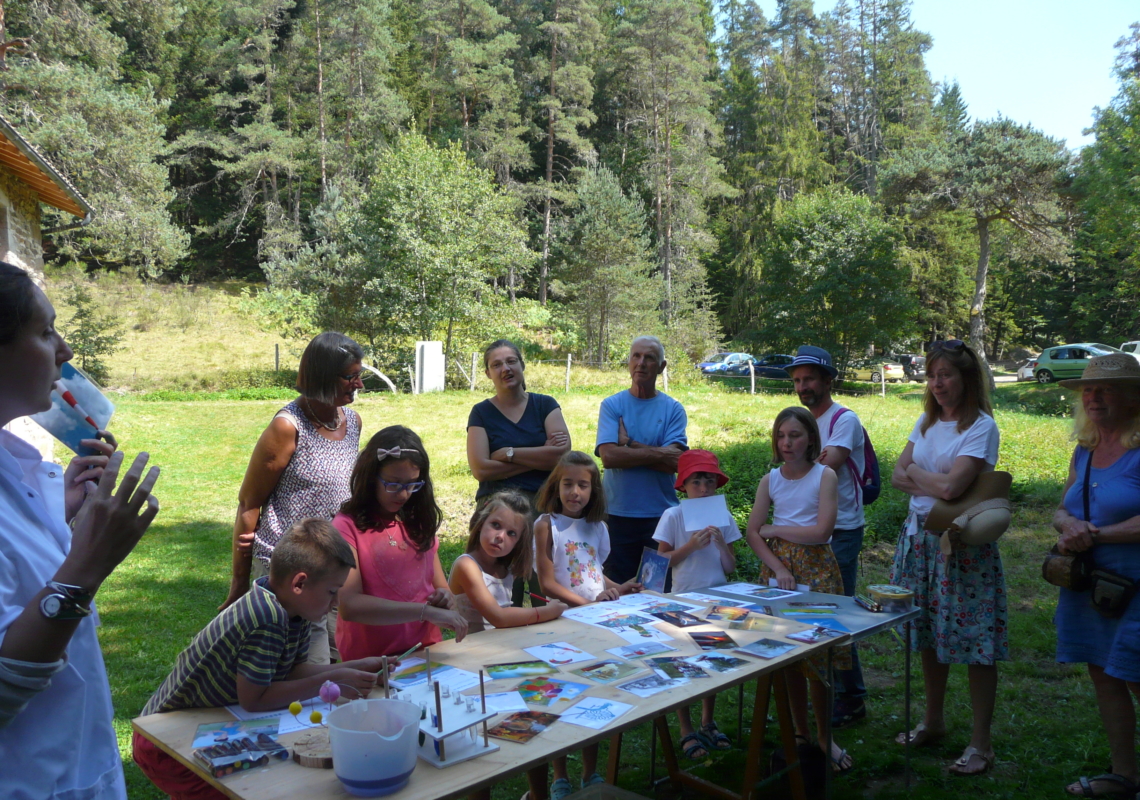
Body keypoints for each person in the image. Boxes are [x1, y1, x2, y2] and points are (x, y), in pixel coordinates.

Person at [0, 261, 160, 800]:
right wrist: (86, 566)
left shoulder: (16, 470)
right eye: (44, 332)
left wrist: (59, 515)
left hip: (77, 770)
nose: (65, 350)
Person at [133, 520, 385, 800]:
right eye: (331, 592)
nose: (336, 602)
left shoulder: (292, 609)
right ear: (299, 583)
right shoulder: (267, 617)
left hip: (199, 730)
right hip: (167, 743)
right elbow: (254, 700)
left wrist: (353, 666)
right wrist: (332, 679)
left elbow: (290, 671)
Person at [889, 340, 1003, 777]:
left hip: (961, 547)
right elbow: (896, 478)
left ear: (967, 379)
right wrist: (928, 480)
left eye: (947, 375)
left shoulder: (981, 427)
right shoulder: (927, 420)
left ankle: (981, 743)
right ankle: (932, 721)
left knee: (976, 644)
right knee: (928, 635)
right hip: (919, 541)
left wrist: (919, 475)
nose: (937, 383)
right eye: (933, 375)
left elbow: (953, 490)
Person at [222, 331, 366, 665]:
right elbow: (249, 502)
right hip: (290, 573)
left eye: (360, 375)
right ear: (322, 377)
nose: (359, 385)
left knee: (339, 663)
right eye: (351, 376)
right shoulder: (288, 427)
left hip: (333, 568)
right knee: (307, 673)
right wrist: (239, 582)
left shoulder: (353, 422)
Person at [1051, 355, 1140, 799]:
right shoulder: (1084, 449)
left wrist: (1096, 533)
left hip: (1136, 584)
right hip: (1092, 585)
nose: (1093, 397)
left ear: (1134, 396)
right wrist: (1069, 526)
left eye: (1107, 389)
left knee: (1137, 674)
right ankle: (1125, 776)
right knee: (1104, 674)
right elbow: (1061, 508)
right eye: (1088, 390)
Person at [745, 407, 852, 773]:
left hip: (817, 570)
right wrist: (776, 566)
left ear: (811, 439)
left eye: (795, 435)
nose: (787, 443)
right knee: (788, 656)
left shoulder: (825, 476)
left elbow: (821, 532)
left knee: (818, 658)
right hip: (779, 574)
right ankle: (801, 732)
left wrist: (776, 531)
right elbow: (752, 532)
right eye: (781, 436)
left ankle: (825, 736)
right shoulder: (770, 480)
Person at [534, 450, 640, 798]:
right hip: (562, 624)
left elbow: (595, 573)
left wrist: (617, 589)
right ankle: (560, 776)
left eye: (583, 485)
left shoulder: (598, 528)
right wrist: (588, 606)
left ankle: (591, 774)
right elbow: (548, 583)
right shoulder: (546, 526)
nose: (575, 492)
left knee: (593, 693)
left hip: (595, 624)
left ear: (594, 490)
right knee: (561, 698)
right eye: (568, 484)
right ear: (556, 485)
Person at [334, 426, 468, 661]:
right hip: (371, 662)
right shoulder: (347, 527)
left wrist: (445, 599)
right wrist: (424, 612)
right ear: (370, 477)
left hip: (426, 652)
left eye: (413, 484)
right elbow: (350, 605)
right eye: (393, 484)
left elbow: (440, 587)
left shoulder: (417, 521)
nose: (404, 495)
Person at [787, 345, 869, 728]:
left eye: (810, 379)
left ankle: (850, 697)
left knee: (836, 613)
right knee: (811, 611)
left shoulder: (843, 419)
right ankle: (823, 695)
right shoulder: (803, 421)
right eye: (798, 380)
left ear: (827, 381)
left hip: (841, 530)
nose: (803, 386)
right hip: (806, 532)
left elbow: (825, 467)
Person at [467, 339, 570, 606]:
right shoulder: (481, 413)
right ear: (488, 373)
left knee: (541, 579)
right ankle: (498, 620)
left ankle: (542, 624)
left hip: (541, 502)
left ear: (522, 365)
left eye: (511, 361)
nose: (505, 368)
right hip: (496, 502)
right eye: (496, 364)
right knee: (498, 580)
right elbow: (481, 469)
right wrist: (539, 456)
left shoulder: (545, 405)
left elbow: (562, 455)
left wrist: (509, 453)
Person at [653, 449, 741, 759]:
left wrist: (720, 545)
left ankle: (707, 721)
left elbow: (730, 567)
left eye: (709, 482)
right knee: (683, 663)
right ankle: (685, 728)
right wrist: (690, 546)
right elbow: (660, 562)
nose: (703, 489)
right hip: (683, 601)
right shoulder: (674, 515)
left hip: (717, 601)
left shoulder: (723, 516)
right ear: (684, 486)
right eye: (696, 482)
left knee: (712, 660)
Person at [595, 335, 688, 584]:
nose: (641, 363)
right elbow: (610, 457)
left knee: (656, 590)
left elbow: (677, 463)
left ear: (661, 367)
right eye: (636, 356)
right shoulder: (612, 405)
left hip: (661, 518)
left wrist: (630, 445)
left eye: (649, 358)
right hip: (616, 516)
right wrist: (660, 452)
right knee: (617, 590)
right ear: (628, 362)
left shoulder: (673, 409)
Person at [448, 490, 568, 632]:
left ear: (518, 542)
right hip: (472, 649)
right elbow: (499, 618)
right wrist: (548, 611)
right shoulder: (467, 566)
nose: (500, 536)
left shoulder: (507, 569)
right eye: (496, 525)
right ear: (481, 524)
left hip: (501, 645)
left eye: (511, 533)